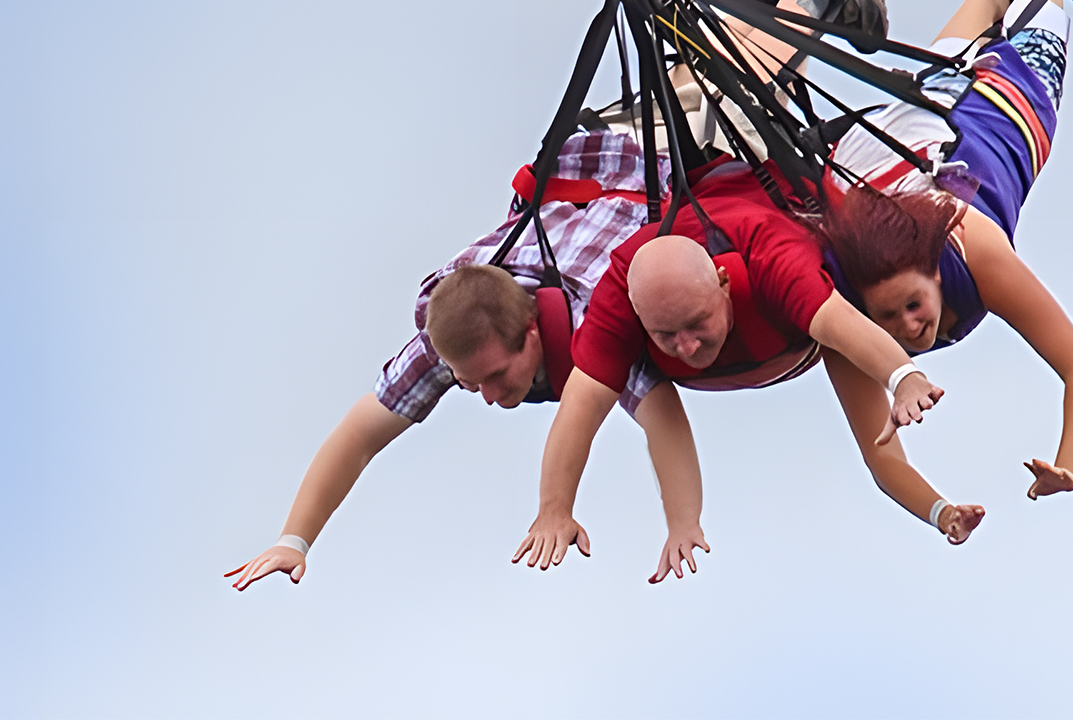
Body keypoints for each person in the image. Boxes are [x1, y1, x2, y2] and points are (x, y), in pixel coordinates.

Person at [513, 83, 986, 574]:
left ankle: (810, 8)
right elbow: (580, 409)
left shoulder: (771, 260)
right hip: (690, 181)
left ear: (722, 281)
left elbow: (841, 325)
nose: (688, 346)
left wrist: (904, 378)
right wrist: (555, 509)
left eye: (696, 324)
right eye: (666, 336)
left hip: (759, 159)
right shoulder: (624, 289)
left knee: (738, 88)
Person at [224, 131, 711, 589]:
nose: (491, 398)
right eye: (471, 384)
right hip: (576, 180)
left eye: (498, 376)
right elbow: (360, 434)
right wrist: (293, 539)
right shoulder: (452, 338)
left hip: (649, 163)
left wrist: (683, 522)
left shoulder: (590, 317)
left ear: (533, 328)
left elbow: (661, 413)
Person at [804, 0, 1073, 501]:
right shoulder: (849, 310)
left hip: (1001, 107)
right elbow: (881, 458)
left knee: (1017, 31)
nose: (906, 329)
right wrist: (939, 512)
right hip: (918, 133)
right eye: (891, 317)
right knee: (939, 72)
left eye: (911, 305)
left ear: (933, 266)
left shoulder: (977, 252)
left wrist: (1069, 464)